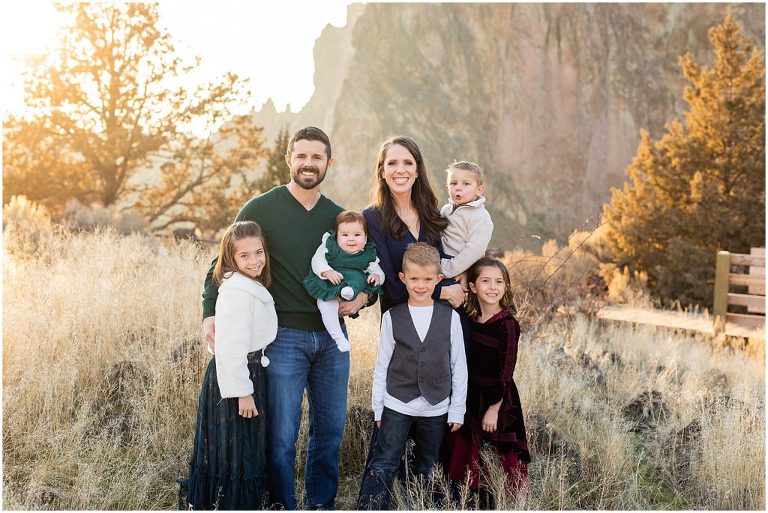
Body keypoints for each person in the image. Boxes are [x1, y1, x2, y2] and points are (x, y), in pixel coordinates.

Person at [201, 127, 372, 510]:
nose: (308, 163)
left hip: (332, 339)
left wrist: (362, 297)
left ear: (328, 163)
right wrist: (209, 313)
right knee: (281, 435)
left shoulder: (337, 216)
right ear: (289, 160)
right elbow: (222, 262)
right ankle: (282, 504)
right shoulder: (261, 208)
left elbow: (365, 266)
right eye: (302, 156)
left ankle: (319, 504)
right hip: (283, 339)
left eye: (317, 157)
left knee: (329, 431)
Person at [357, 243, 468, 510]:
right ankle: (371, 507)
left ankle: (424, 506)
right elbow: (382, 364)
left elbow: (459, 365)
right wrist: (378, 407)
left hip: (437, 405)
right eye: (414, 278)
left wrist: (457, 410)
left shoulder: (450, 317)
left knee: (429, 464)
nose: (421, 285)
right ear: (403, 278)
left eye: (428, 279)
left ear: (439, 279)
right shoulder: (392, 317)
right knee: (385, 460)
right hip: (397, 403)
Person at [187, 221, 277, 510]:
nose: (254, 261)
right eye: (245, 256)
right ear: (231, 258)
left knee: (244, 447)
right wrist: (243, 392)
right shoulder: (236, 292)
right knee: (236, 450)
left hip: (247, 373)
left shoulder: (248, 285)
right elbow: (231, 346)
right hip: (237, 376)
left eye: (258, 252)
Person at [445, 257, 530, 506]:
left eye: (499, 282)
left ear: (506, 287)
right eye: (486, 281)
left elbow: (506, 371)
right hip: (472, 394)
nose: (493, 287)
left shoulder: (508, 324)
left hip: (498, 399)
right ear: (472, 287)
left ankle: (497, 500)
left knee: (496, 453)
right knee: (471, 452)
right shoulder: (470, 319)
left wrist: (494, 409)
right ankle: (471, 497)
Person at [363, 136, 466, 313]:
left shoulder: (432, 213)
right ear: (382, 172)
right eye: (392, 163)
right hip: (403, 325)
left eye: (408, 163)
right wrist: (443, 291)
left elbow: (447, 259)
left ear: (417, 171)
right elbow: (391, 287)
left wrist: (464, 272)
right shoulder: (372, 217)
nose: (400, 170)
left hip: (446, 316)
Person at [303, 210, 384, 352]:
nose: (351, 239)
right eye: (345, 235)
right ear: (337, 236)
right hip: (333, 283)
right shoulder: (330, 246)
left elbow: (378, 271)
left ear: (365, 238)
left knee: (360, 280)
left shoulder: (367, 254)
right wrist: (327, 271)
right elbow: (317, 260)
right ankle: (338, 337)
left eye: (357, 235)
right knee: (325, 303)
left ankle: (349, 292)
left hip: (354, 284)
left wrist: (377, 276)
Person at [439, 160, 494, 285]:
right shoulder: (446, 209)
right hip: (440, 262)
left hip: (456, 267)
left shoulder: (480, 217)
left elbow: (475, 250)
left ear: (479, 190)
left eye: (466, 184)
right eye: (453, 183)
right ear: (447, 188)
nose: (458, 187)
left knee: (451, 302)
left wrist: (450, 269)